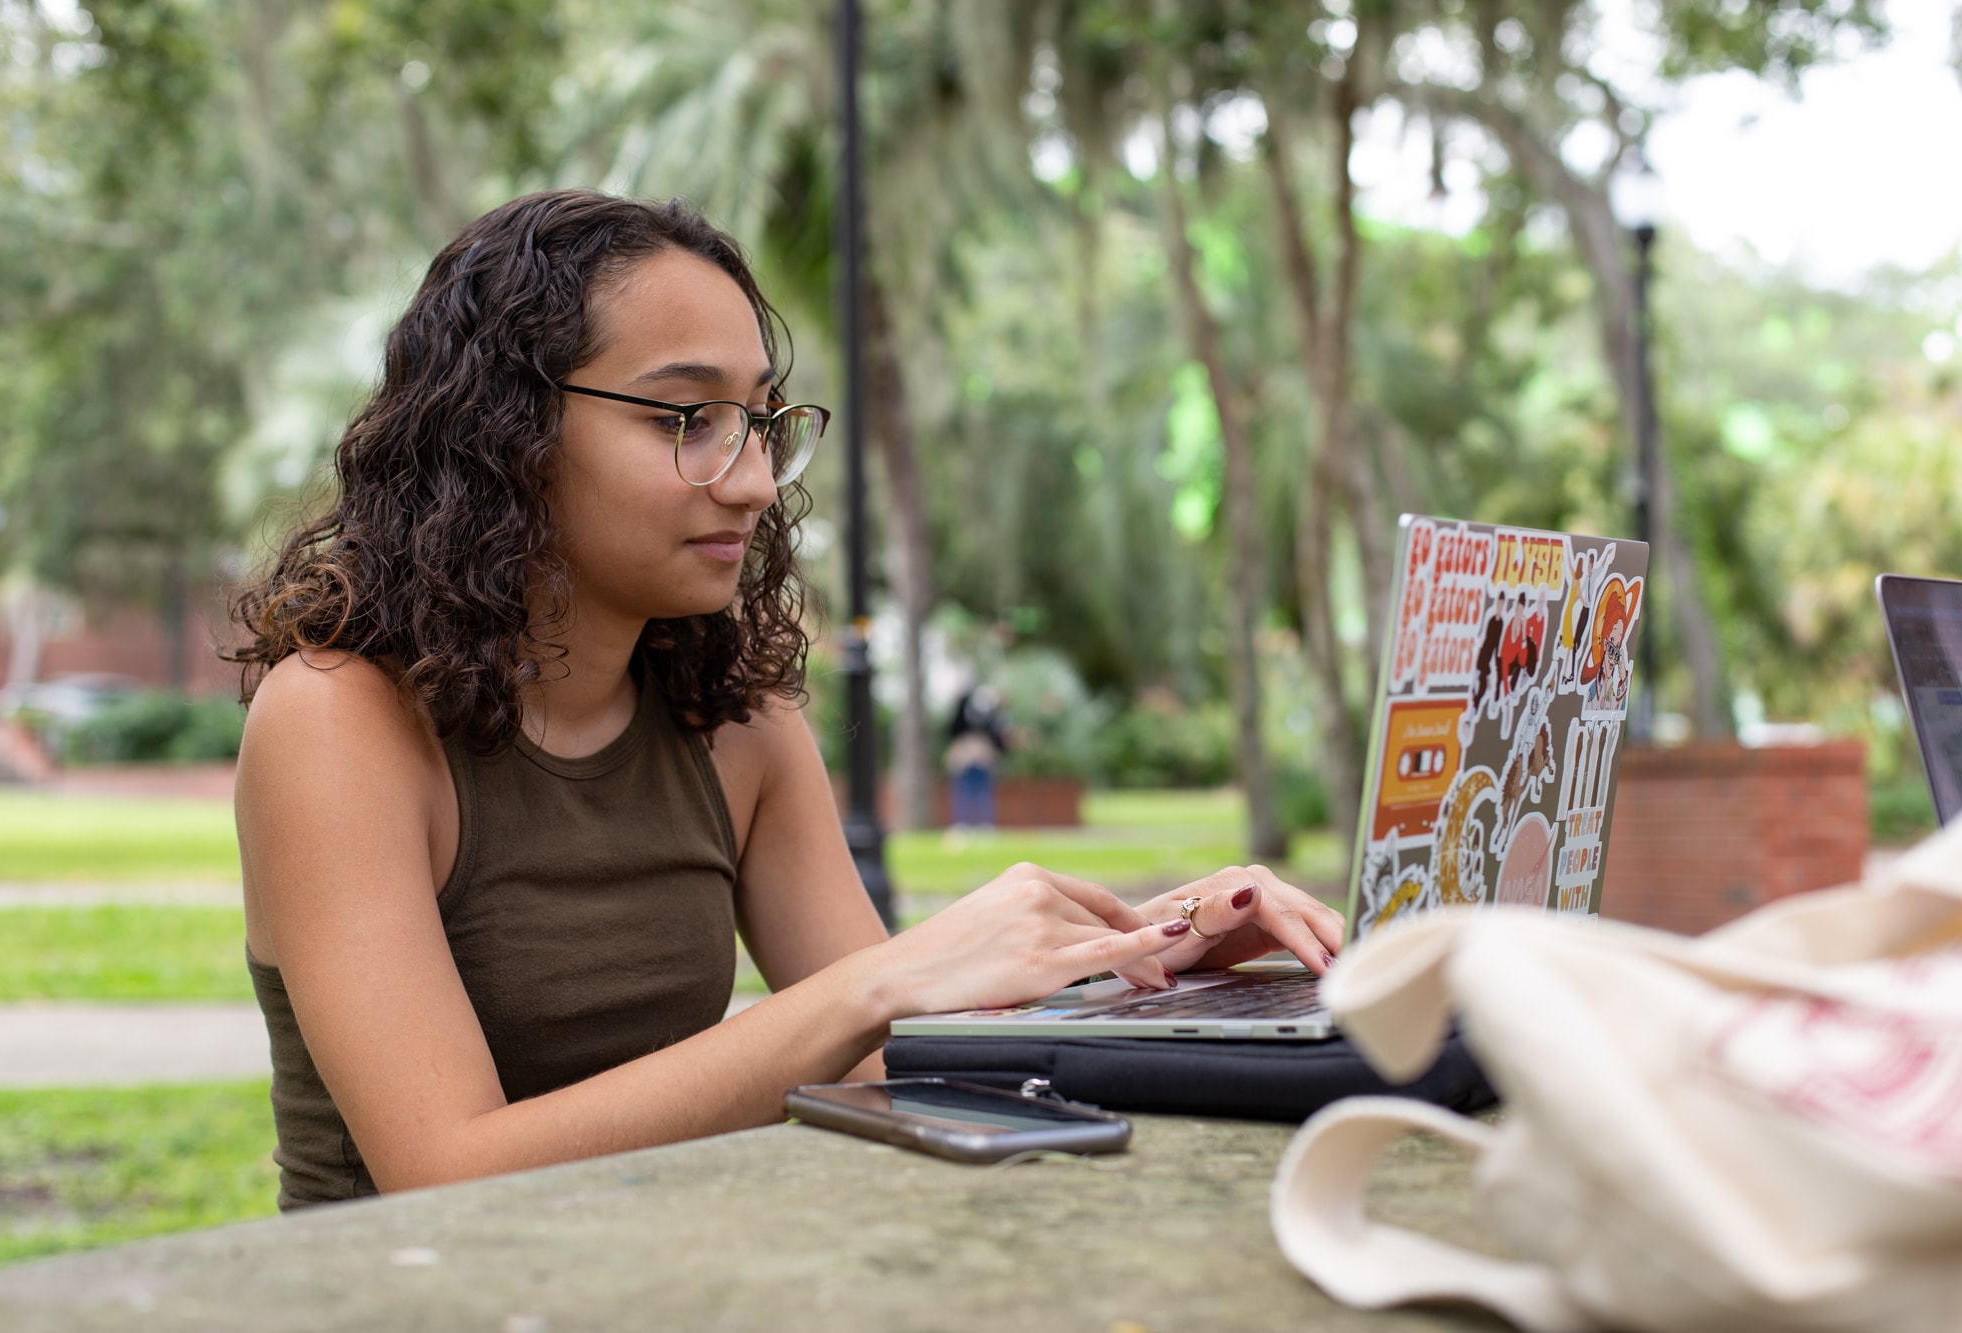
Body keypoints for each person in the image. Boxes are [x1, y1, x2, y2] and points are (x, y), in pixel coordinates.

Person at [229, 189, 1344, 1209]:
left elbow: (883, 1051)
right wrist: (873, 984)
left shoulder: (733, 721)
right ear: (504, 435)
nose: (756, 480)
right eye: (685, 420)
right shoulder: (337, 719)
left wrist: (1148, 949)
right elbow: (443, 1167)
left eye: (759, 420)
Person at [944, 684, 1008, 828]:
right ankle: (961, 823)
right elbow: (953, 731)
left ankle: (985, 823)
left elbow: (997, 737)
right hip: (965, 759)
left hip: (983, 760)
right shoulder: (962, 711)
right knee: (963, 791)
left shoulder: (991, 716)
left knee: (983, 792)